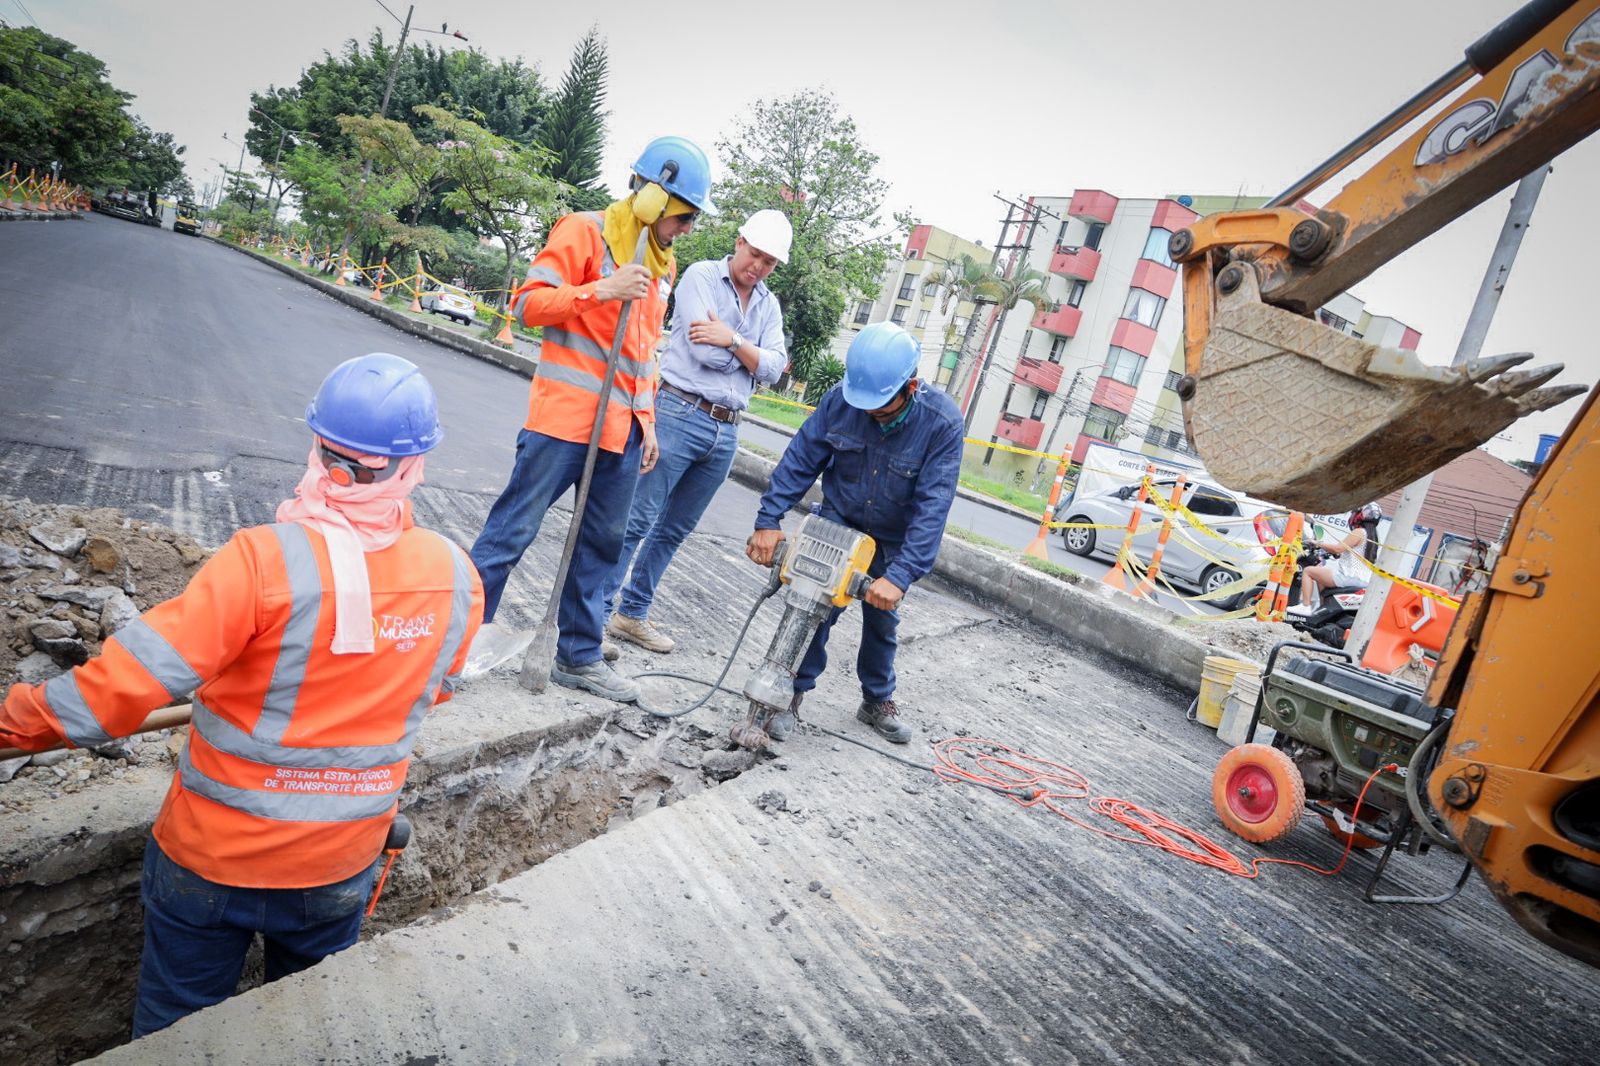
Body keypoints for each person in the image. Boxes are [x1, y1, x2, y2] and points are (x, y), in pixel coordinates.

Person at [0, 353, 483, 1037]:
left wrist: (11, 726)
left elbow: (113, 694)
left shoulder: (263, 560)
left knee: (176, 1031)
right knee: (307, 1031)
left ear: (319, 448)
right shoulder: (457, 577)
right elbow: (432, 692)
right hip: (341, 866)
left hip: (212, 864)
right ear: (414, 466)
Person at [467, 136, 715, 702]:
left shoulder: (660, 263)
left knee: (602, 543)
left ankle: (577, 656)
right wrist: (602, 289)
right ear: (653, 197)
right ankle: (454, 644)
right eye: (684, 215)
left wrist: (647, 419)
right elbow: (528, 306)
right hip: (563, 422)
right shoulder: (583, 231)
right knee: (512, 532)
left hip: (622, 431)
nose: (688, 229)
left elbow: (644, 349)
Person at [744, 322, 964, 744]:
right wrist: (768, 521)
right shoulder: (840, 401)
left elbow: (933, 507)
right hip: (840, 521)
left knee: (883, 620)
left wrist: (899, 576)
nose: (867, 414)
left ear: (912, 387)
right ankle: (790, 694)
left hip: (892, 536)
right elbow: (800, 460)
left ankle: (876, 699)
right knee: (814, 607)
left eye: (879, 408)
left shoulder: (941, 424)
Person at [604, 209, 792, 653]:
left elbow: (776, 367)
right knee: (637, 520)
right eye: (756, 254)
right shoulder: (701, 277)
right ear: (740, 240)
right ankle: (593, 616)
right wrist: (749, 355)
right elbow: (705, 354)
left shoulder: (768, 303)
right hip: (679, 412)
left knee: (675, 530)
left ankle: (631, 614)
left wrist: (731, 339)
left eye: (769, 262)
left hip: (726, 431)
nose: (759, 267)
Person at [1288, 502, 1382, 615]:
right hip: (1363, 579)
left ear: (1359, 515)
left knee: (1308, 571)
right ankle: (1321, 610)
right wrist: (1337, 553)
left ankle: (1305, 606)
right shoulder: (1373, 536)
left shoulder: (1359, 532)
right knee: (1322, 578)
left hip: (1349, 577)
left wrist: (1318, 543)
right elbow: (1353, 553)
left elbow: (1338, 549)